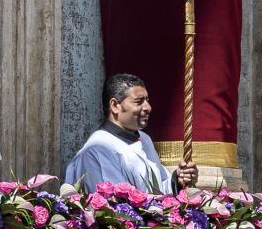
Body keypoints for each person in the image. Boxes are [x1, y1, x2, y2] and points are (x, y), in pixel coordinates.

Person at [65, 73, 198, 193]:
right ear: (115, 106)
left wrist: (178, 180)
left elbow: (157, 191)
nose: (148, 108)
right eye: (139, 102)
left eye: (147, 101)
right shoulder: (97, 149)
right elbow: (113, 207)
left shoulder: (144, 139)